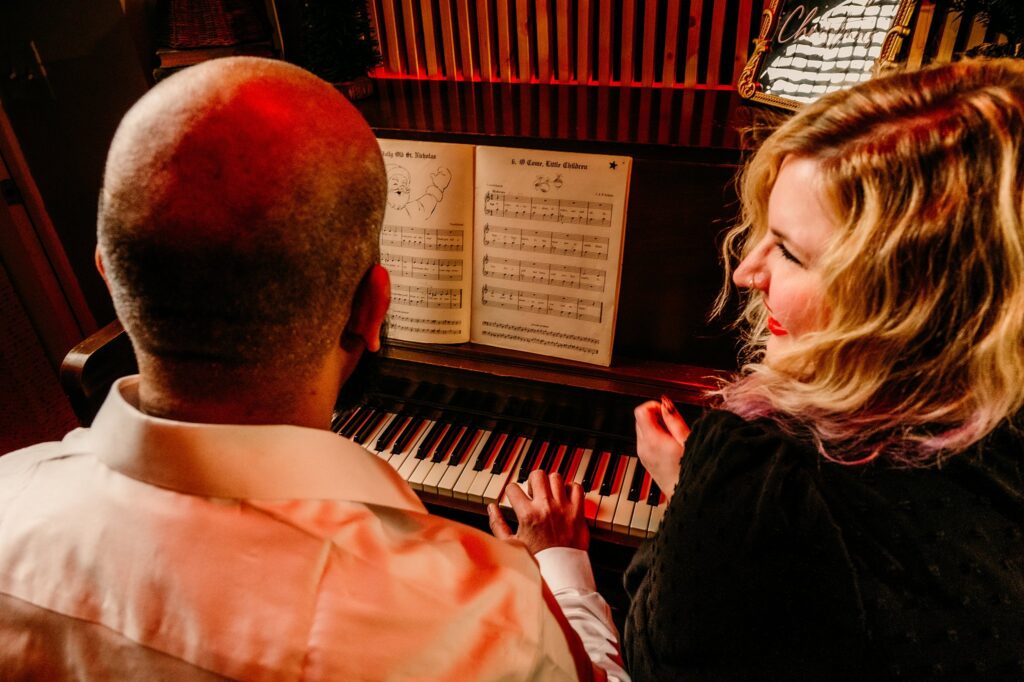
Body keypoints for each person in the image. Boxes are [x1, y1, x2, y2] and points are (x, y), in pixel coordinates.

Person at [0, 56, 620, 680]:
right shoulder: (488, 623)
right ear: (373, 309)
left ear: (109, 274)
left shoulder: (9, 494)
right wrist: (562, 571)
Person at [497, 58, 1024, 680]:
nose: (747, 271)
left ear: (912, 300)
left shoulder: (766, 481)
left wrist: (560, 560)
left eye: (792, 252)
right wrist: (695, 496)